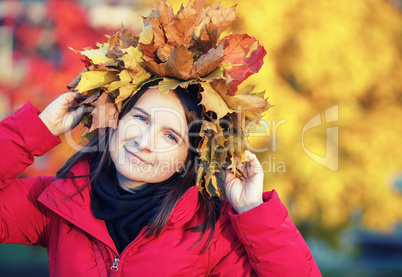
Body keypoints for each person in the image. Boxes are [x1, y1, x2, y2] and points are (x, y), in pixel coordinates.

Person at [0, 0, 322, 276]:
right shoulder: (59, 202)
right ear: (115, 116)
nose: (145, 142)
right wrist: (38, 129)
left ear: (190, 156)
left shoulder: (210, 233)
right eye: (140, 118)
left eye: (170, 135)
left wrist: (252, 210)